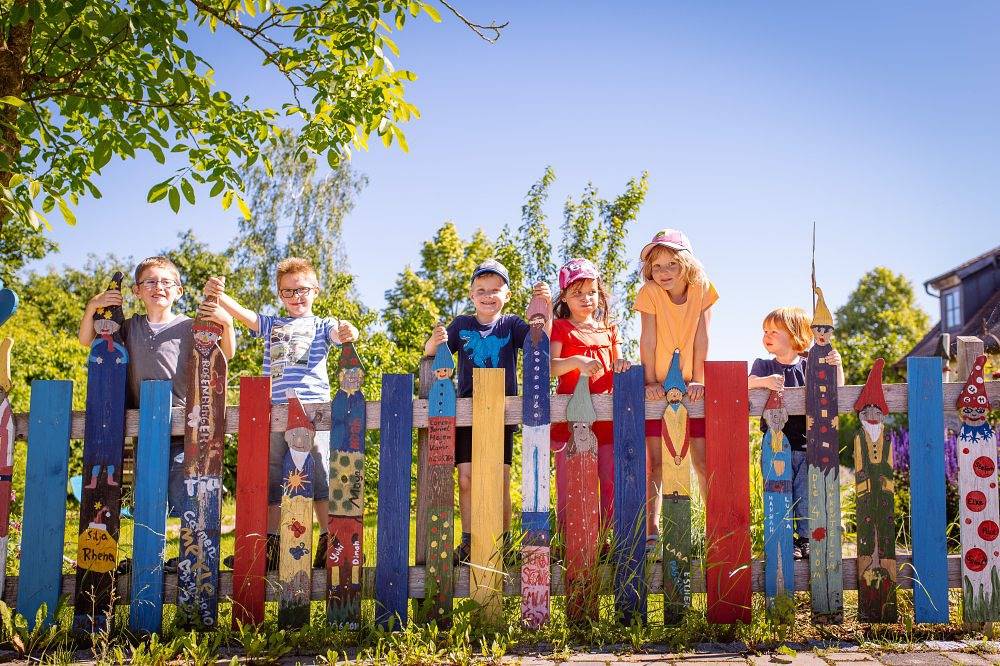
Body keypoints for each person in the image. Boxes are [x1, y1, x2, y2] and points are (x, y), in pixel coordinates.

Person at [78, 256, 236, 571]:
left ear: (179, 290)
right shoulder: (128, 327)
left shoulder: (189, 327)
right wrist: (93, 306)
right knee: (149, 495)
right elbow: (86, 340)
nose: (158, 287)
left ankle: (191, 557)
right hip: (144, 425)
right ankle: (150, 557)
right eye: (150, 281)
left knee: (186, 492)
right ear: (137, 291)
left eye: (166, 282)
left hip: (183, 427)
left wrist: (228, 323)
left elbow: (226, 353)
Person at [205, 257, 359, 570]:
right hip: (274, 411)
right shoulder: (273, 325)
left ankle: (329, 540)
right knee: (273, 477)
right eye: (288, 291)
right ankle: (271, 545)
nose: (296, 296)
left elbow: (341, 332)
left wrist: (348, 331)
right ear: (279, 295)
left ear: (315, 291)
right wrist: (220, 296)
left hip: (314, 411)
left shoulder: (321, 325)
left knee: (319, 475)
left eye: (302, 290)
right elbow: (246, 316)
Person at [423, 259, 551, 565]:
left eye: (495, 290)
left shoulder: (511, 325)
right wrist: (432, 342)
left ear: (507, 295)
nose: (488, 295)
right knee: (466, 479)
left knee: (500, 480)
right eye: (481, 290)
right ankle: (469, 541)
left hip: (501, 413)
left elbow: (538, 341)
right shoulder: (461, 326)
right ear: (471, 294)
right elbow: (433, 353)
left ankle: (503, 542)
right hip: (467, 412)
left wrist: (545, 308)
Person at [634, 229, 717, 552]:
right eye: (656, 266)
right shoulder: (650, 293)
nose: (664, 272)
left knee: (701, 460)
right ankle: (652, 529)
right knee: (655, 462)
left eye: (672, 264)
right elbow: (648, 338)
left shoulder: (702, 288)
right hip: (658, 385)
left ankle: (713, 527)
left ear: (687, 264)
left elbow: (702, 336)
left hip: (690, 384)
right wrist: (649, 382)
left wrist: (699, 379)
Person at [748, 306, 840, 558]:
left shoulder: (810, 365)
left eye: (774, 331)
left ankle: (807, 538)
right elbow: (747, 383)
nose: (767, 335)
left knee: (806, 493)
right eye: (765, 331)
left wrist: (837, 364)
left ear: (795, 335)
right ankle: (784, 538)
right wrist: (764, 382)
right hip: (775, 444)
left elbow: (836, 388)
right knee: (778, 490)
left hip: (806, 443)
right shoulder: (763, 366)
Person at [549, 258, 629, 542]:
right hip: (571, 419)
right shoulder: (561, 328)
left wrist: (623, 365)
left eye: (592, 292)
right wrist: (575, 361)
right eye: (577, 293)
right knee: (571, 480)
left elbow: (619, 366)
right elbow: (550, 367)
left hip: (606, 419)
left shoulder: (609, 329)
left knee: (609, 479)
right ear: (564, 298)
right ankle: (570, 539)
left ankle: (607, 539)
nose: (586, 298)